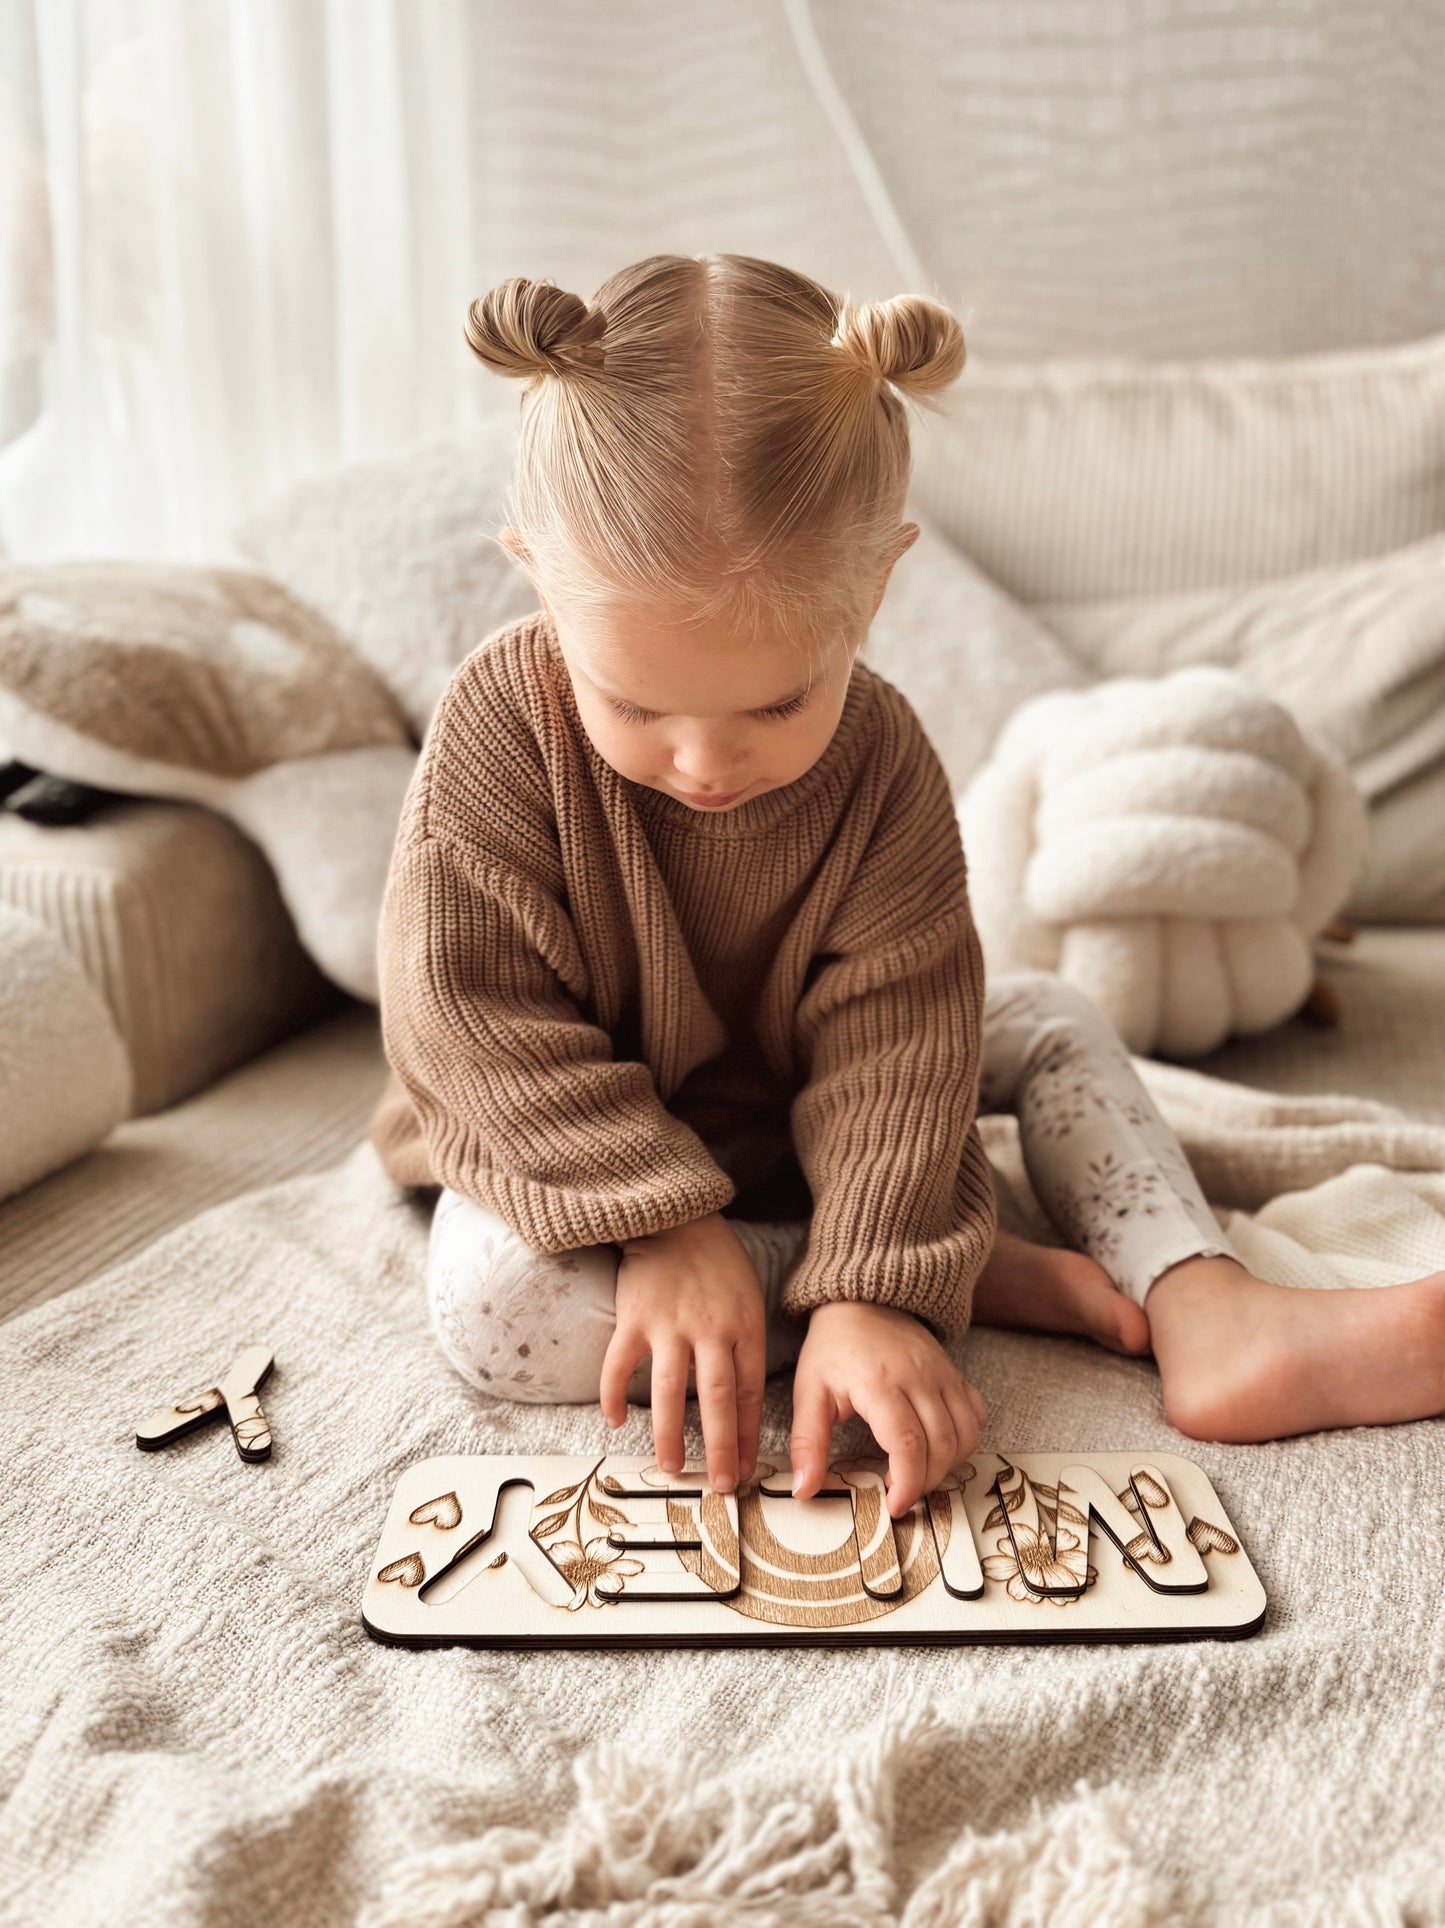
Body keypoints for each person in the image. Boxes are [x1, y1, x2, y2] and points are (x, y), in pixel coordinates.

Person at [371, 253, 1445, 1519]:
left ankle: (1203, 1304)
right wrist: (663, 1226)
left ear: (876, 584)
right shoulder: (496, 729)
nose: (704, 760)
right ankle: (953, 1263)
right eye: (637, 704)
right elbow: (466, 1019)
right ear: (536, 576)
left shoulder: (881, 763)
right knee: (496, 1306)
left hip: (814, 1106)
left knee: (1047, 1018)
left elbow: (900, 1035)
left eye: (775, 701)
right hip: (576, 1150)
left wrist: (873, 1288)